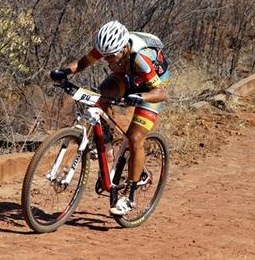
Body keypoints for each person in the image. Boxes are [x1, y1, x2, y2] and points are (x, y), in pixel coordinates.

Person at [50, 20, 170, 216]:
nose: (107, 60)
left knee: (135, 138)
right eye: (104, 57)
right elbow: (83, 63)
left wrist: (141, 97)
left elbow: (161, 93)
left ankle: (129, 196)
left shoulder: (140, 58)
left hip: (151, 88)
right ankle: (108, 150)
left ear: (123, 48)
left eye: (111, 56)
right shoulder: (107, 48)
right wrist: (64, 72)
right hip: (127, 77)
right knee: (100, 97)